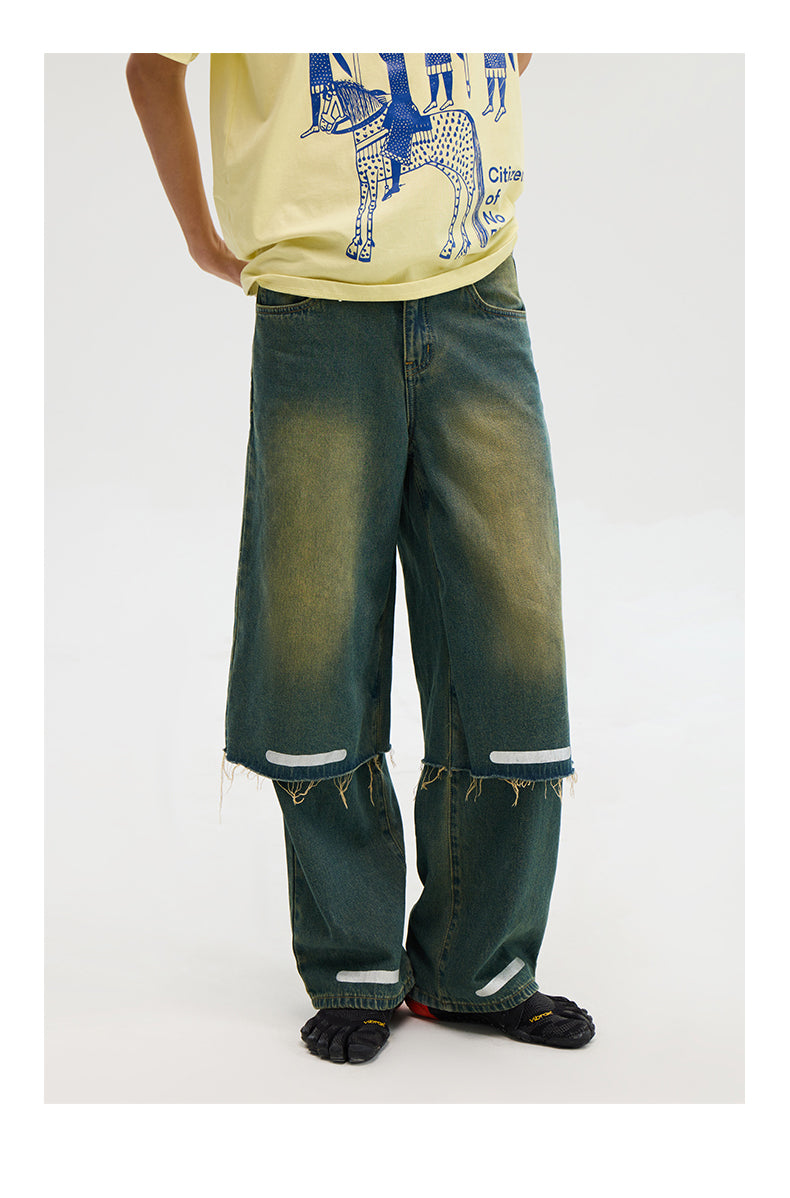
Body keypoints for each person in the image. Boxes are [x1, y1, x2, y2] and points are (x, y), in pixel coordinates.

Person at [126, 51, 595, 1065]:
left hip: (478, 296)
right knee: (313, 632)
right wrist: (202, 234)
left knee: (512, 630)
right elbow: (152, 61)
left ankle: (480, 967)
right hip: (314, 310)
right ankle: (354, 965)